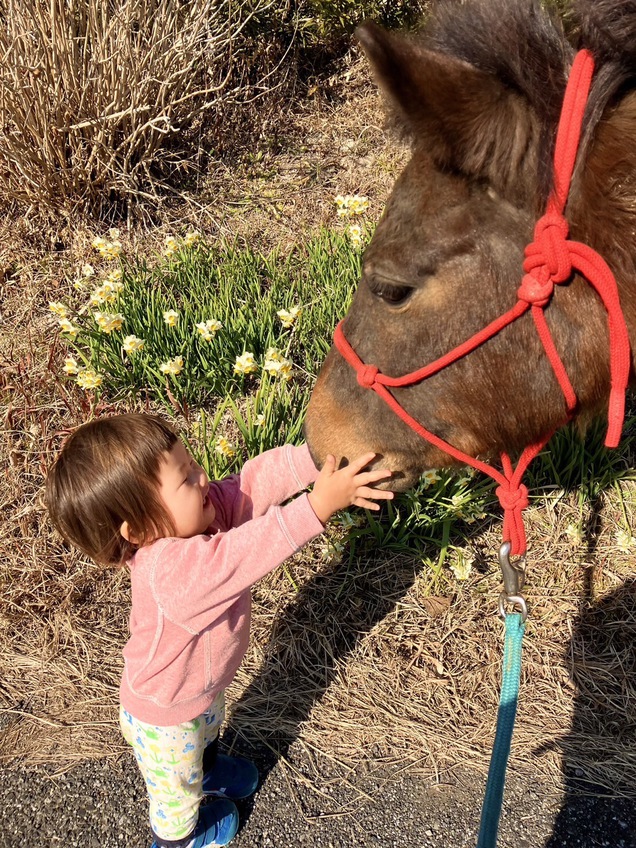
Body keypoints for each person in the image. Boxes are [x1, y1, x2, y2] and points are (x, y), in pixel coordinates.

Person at [45, 413, 393, 848]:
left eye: (191, 463)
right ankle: (179, 840)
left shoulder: (201, 516)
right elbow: (244, 553)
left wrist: (313, 456)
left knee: (209, 730)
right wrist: (317, 505)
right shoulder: (170, 571)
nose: (203, 475)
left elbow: (250, 486)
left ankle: (207, 768)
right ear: (141, 529)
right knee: (176, 797)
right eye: (186, 478)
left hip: (200, 690)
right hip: (165, 719)